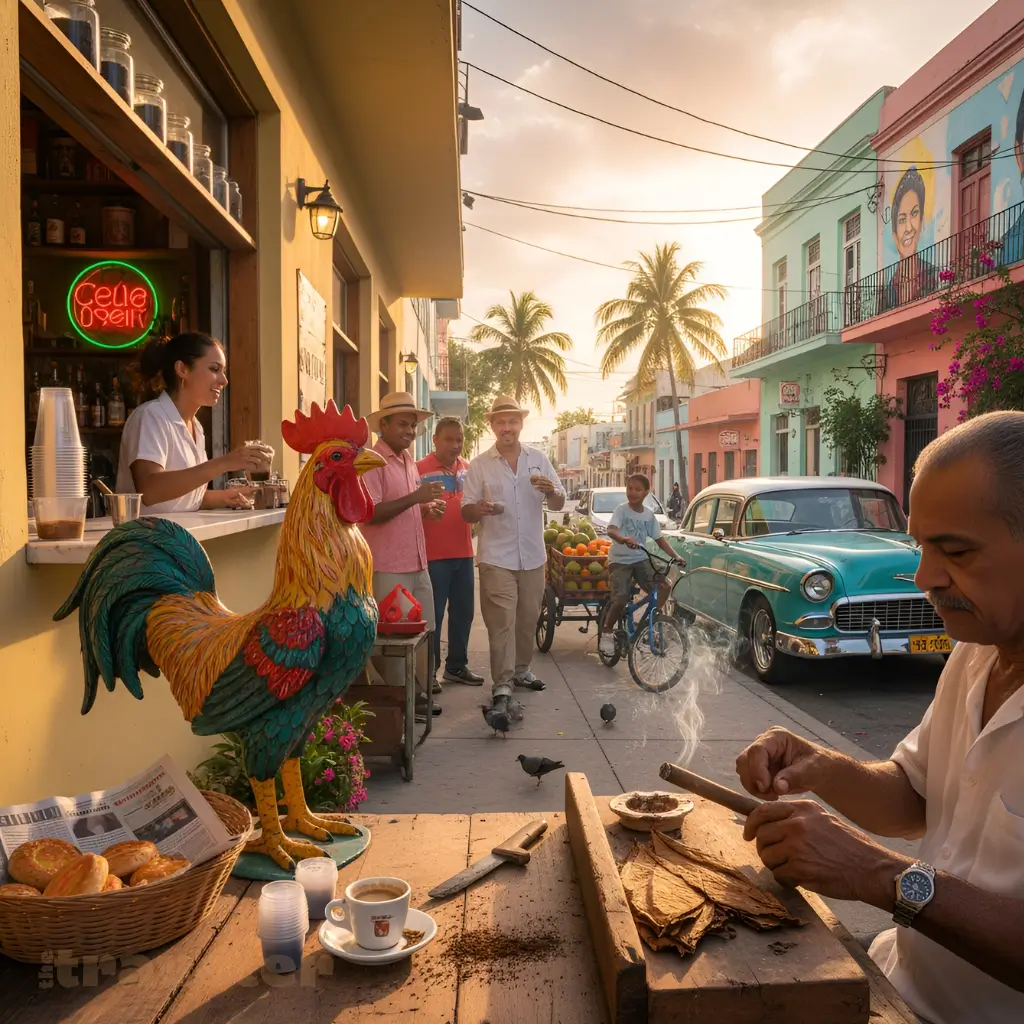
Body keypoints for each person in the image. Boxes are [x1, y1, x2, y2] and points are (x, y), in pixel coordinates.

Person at [736, 411, 1024, 1024]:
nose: (926, 578)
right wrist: (822, 767)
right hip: (895, 984)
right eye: (921, 546)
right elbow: (915, 798)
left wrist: (875, 874)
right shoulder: (975, 652)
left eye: (957, 552)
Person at [463, 396, 565, 715]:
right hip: (496, 556)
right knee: (501, 623)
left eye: (512, 421)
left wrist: (550, 491)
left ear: (521, 424)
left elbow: (559, 502)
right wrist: (477, 509)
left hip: (533, 555)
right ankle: (502, 683)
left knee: (527, 619)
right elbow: (466, 511)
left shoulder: (538, 459)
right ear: (491, 425)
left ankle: (522, 671)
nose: (507, 427)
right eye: (500, 422)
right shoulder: (480, 464)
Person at [116, 333, 272, 513]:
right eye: (214, 369)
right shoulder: (150, 416)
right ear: (182, 369)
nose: (224, 381)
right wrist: (226, 462)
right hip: (145, 538)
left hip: (178, 537)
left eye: (223, 371)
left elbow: (181, 497)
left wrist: (228, 496)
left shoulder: (196, 427)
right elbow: (150, 491)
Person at [361, 392, 444, 715]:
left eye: (413, 425)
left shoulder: (408, 460)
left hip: (417, 562)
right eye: (403, 424)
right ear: (383, 424)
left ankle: (418, 693)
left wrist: (426, 508)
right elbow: (370, 512)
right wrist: (416, 498)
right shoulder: (371, 460)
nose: (410, 431)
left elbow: (407, 506)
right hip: (387, 566)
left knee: (425, 632)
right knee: (392, 641)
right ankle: (398, 702)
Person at [417, 416, 484, 687]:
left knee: (464, 613)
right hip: (432, 556)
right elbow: (409, 509)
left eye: (459, 439)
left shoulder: (469, 469)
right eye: (449, 439)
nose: (455, 445)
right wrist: (424, 508)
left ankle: (456, 666)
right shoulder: (418, 469)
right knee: (433, 616)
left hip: (464, 553)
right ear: (435, 440)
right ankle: (429, 673)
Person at [598, 474, 683, 657]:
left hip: (640, 559)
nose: (633, 493)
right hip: (619, 561)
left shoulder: (648, 515)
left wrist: (676, 556)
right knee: (620, 598)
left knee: (664, 586)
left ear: (646, 492)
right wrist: (623, 539)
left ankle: (647, 625)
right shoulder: (621, 511)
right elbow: (611, 530)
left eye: (638, 489)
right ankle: (606, 631)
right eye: (630, 488)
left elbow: (659, 540)